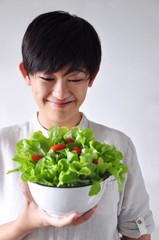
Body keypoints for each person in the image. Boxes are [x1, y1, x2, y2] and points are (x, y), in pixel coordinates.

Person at [0, 11, 154, 240]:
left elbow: (137, 234)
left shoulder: (118, 146)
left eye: (74, 79)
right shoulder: (4, 144)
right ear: (26, 74)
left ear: (92, 77)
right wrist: (24, 224)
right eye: (47, 78)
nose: (61, 93)